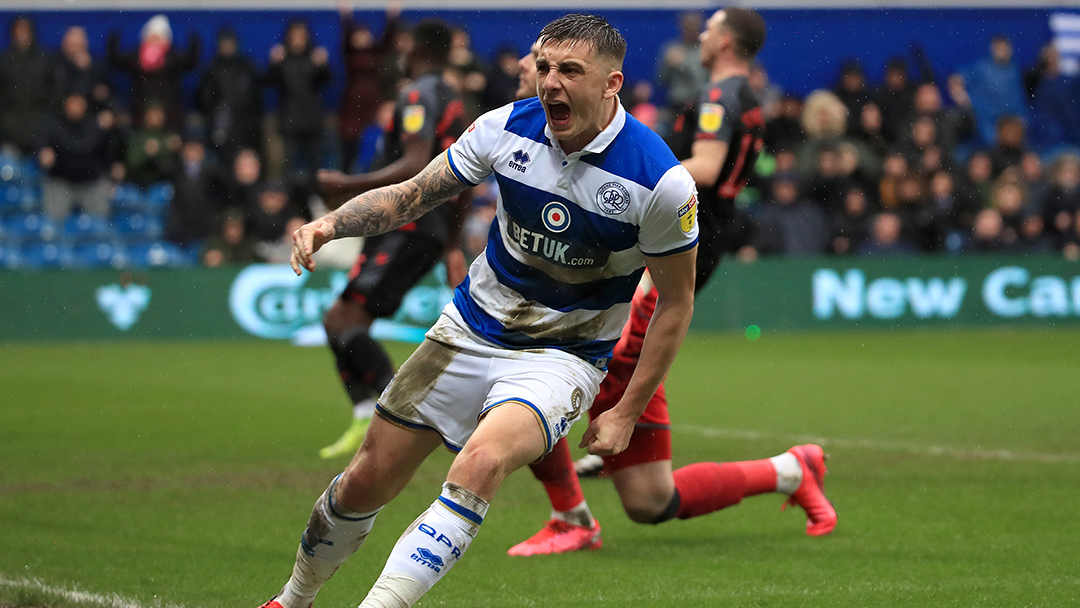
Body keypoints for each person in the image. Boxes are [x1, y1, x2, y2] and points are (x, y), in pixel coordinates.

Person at [258, 13, 698, 608]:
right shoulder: (502, 129)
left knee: (479, 463)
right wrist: (332, 224)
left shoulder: (660, 182)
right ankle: (292, 600)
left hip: (562, 357)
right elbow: (414, 194)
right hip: (467, 329)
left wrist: (625, 410)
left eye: (571, 70)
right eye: (544, 67)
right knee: (366, 481)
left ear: (611, 83)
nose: (550, 83)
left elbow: (675, 302)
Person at [508, 7, 836, 558]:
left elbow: (704, 168)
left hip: (676, 247)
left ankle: (573, 512)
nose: (701, 34)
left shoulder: (718, 97)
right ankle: (787, 470)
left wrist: (632, 175)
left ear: (726, 40)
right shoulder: (745, 94)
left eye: (710, 27)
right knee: (648, 499)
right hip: (690, 240)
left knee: (550, 347)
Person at [312, 19, 470, 460]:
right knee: (336, 322)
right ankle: (368, 412)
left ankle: (401, 417)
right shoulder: (456, 100)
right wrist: (453, 242)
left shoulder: (418, 93)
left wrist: (347, 183)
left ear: (416, 50)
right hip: (421, 230)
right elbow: (466, 180)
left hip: (407, 225)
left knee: (346, 324)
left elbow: (416, 162)